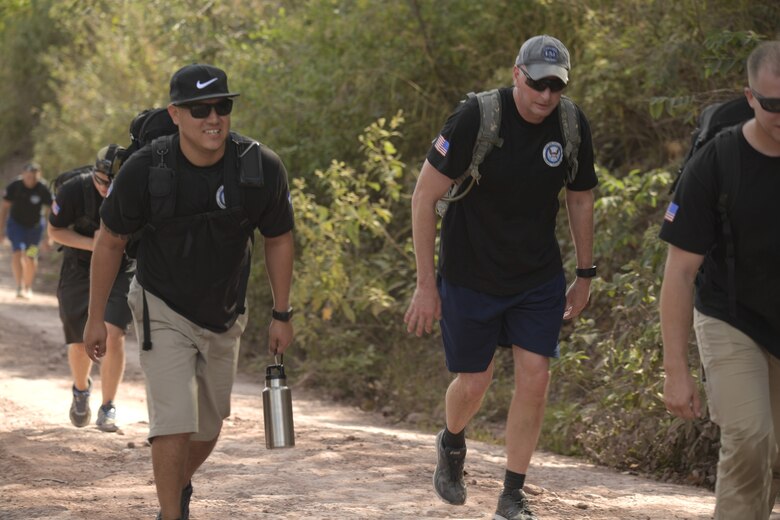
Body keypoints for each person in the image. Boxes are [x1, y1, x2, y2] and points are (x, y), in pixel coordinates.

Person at [83, 64, 295, 520]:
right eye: (199, 109)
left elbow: (278, 237)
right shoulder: (146, 170)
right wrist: (95, 316)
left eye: (222, 106)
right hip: (162, 304)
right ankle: (170, 513)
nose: (212, 118)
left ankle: (174, 485)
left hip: (224, 312)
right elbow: (110, 240)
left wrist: (282, 313)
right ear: (175, 114)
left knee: (210, 424)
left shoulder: (258, 167)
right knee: (175, 421)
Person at [404, 35, 597, 520]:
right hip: (470, 273)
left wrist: (586, 273)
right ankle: (451, 443)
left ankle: (512, 493)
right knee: (475, 381)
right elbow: (424, 196)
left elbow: (580, 198)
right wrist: (427, 285)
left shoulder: (571, 125)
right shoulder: (476, 117)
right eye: (537, 84)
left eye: (555, 86)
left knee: (536, 377)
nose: (546, 96)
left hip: (536, 276)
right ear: (517, 73)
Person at [659, 40, 780, 520]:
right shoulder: (715, 163)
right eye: (772, 104)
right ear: (749, 98)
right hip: (732, 316)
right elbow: (680, 271)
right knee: (750, 436)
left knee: (772, 453)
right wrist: (676, 370)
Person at [48, 145, 134, 433]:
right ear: (93, 174)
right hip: (79, 266)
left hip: (121, 268)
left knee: (113, 332)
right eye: (101, 180)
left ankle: (108, 407)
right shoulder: (73, 190)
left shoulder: (137, 188)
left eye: (114, 183)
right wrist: (93, 245)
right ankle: (81, 389)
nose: (106, 188)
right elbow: (54, 231)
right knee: (77, 339)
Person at [0, 162, 53, 298]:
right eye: (28, 176)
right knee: (17, 251)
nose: (31, 180)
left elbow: (51, 211)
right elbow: (5, 207)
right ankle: (19, 286)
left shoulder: (43, 188)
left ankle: (28, 287)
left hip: (35, 228)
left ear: (39, 176)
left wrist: (49, 236)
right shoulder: (15, 186)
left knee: (31, 256)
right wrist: (1, 230)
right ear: (23, 175)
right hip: (16, 226)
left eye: (34, 177)